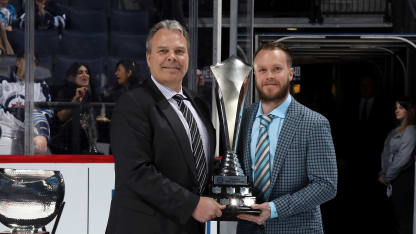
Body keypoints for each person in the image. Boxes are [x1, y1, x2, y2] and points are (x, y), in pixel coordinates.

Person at [106, 19, 225, 234]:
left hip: (189, 228)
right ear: (149, 58)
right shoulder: (132, 104)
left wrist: (231, 189)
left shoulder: (198, 105)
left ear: (188, 58)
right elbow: (136, 173)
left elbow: (197, 167)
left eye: (179, 51)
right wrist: (192, 205)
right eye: (163, 51)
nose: (172, 57)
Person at [235, 41, 337, 234]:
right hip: (248, 229)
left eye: (277, 69)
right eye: (262, 70)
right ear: (254, 74)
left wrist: (274, 209)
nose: (270, 76)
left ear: (290, 74)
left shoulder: (314, 123)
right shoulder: (243, 118)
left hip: (296, 229)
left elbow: (326, 185)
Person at [0, 52, 52, 154]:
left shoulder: (41, 86)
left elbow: (46, 111)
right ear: (18, 63)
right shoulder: (2, 83)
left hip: (30, 133)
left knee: (42, 153)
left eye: (34, 62)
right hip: (5, 131)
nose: (31, 64)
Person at [378, 96, 416, 234]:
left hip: (402, 180)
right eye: (396, 108)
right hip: (393, 179)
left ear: (408, 111)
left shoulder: (411, 131)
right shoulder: (397, 130)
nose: (397, 110)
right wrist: (384, 174)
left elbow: (402, 159)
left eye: (401, 108)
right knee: (396, 219)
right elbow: (386, 154)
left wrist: (387, 176)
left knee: (403, 220)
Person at [51, 62, 99, 154]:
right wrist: (76, 99)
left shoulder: (91, 95)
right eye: (80, 72)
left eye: (86, 72)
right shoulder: (65, 91)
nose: (85, 75)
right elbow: (61, 117)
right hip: (65, 143)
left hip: (86, 141)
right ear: (72, 76)